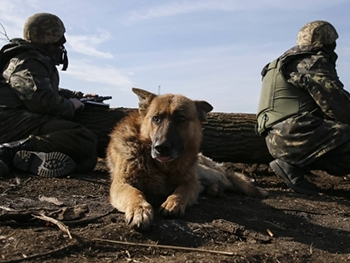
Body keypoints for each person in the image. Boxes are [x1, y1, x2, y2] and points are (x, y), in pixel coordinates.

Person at [256, 20, 350, 195]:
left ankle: (291, 167)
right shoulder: (311, 62)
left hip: (275, 140)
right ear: (329, 43)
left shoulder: (276, 65)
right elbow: (338, 107)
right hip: (300, 133)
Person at [0, 12, 98, 178]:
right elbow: (41, 100)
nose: (62, 44)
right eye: (59, 38)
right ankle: (7, 151)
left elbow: (45, 89)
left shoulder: (31, 58)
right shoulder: (27, 60)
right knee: (82, 138)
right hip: (9, 122)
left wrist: (79, 95)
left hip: (15, 120)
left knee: (86, 159)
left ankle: (27, 158)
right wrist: (70, 106)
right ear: (50, 37)